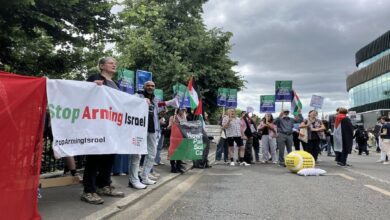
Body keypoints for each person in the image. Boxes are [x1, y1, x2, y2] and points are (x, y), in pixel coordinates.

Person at [81, 57, 124, 205]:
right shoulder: (95, 78)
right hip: (97, 126)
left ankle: (104, 185)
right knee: (94, 158)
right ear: (102, 66)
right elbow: (82, 94)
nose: (114, 64)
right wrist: (92, 86)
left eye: (115, 62)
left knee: (109, 157)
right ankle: (88, 190)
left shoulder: (116, 84)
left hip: (111, 127)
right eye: (111, 62)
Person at [168, 108, 187, 173]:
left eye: (184, 110)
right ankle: (173, 167)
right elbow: (169, 126)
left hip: (181, 137)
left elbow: (185, 127)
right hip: (174, 137)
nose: (183, 111)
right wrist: (174, 120)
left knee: (180, 152)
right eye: (182, 110)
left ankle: (178, 166)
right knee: (173, 151)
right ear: (178, 110)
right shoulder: (173, 117)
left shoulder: (184, 118)